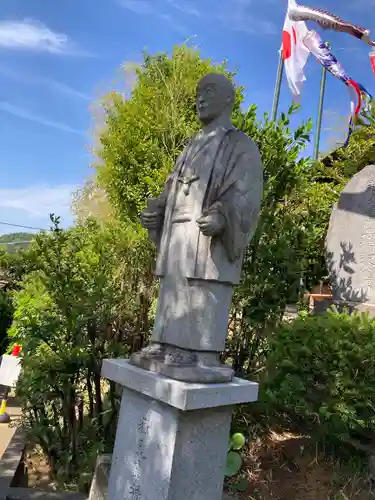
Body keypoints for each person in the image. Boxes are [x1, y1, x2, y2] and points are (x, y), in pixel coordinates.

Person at [130, 73, 263, 382]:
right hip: (177, 232)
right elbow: (173, 187)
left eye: (209, 91)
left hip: (207, 234)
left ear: (228, 99)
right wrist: (159, 212)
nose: (199, 98)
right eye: (198, 92)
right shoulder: (191, 145)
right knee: (173, 288)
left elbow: (246, 193)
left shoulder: (239, 145)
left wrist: (223, 216)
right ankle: (163, 343)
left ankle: (200, 353)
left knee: (201, 286)